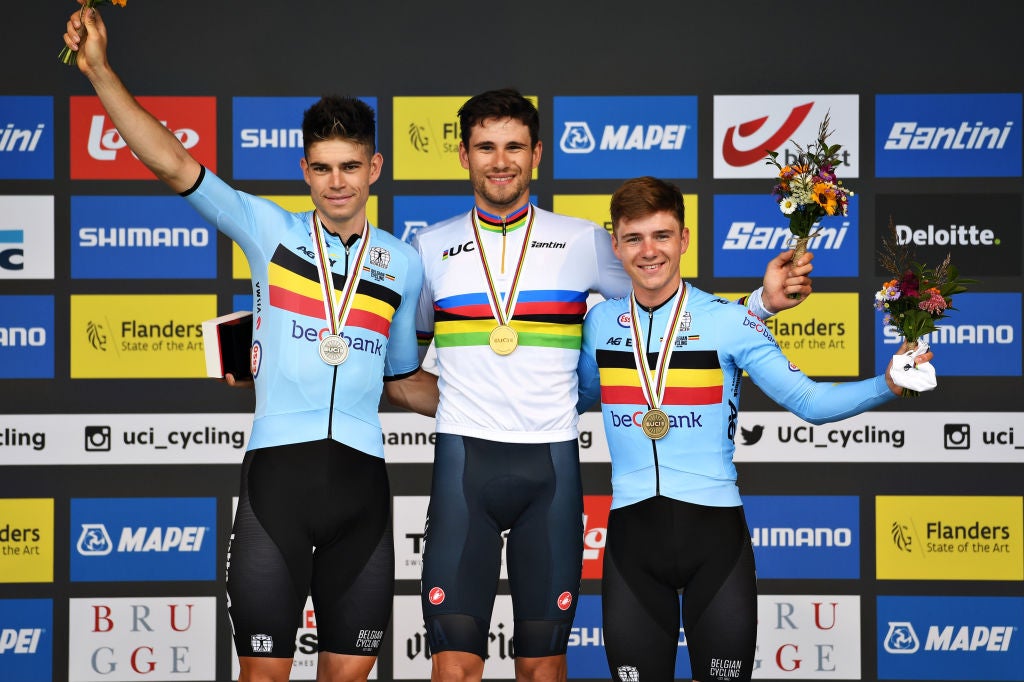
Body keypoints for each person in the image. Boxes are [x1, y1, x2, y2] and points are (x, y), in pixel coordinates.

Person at [62, 6, 437, 682]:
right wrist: (100, 71)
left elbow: (406, 380)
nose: (338, 182)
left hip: (364, 489)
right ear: (304, 170)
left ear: (375, 166)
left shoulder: (403, 265)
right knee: (263, 677)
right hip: (277, 486)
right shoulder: (267, 230)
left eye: (351, 166)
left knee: (349, 675)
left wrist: (515, 401)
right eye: (323, 168)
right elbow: (172, 162)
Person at [411, 90, 815, 682]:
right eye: (486, 147)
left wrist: (757, 305)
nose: (501, 161)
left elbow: (669, 312)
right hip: (463, 464)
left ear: (538, 154)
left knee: (544, 670)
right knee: (452, 671)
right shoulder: (427, 248)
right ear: (463, 155)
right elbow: (394, 367)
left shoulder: (584, 241)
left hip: (550, 467)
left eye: (515, 146)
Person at [576, 176, 936, 682]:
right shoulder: (599, 325)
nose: (649, 251)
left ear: (684, 238)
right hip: (632, 545)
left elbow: (810, 402)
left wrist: (889, 383)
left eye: (662, 235)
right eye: (633, 238)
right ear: (615, 245)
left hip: (715, 545)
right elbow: (574, 397)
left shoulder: (731, 322)